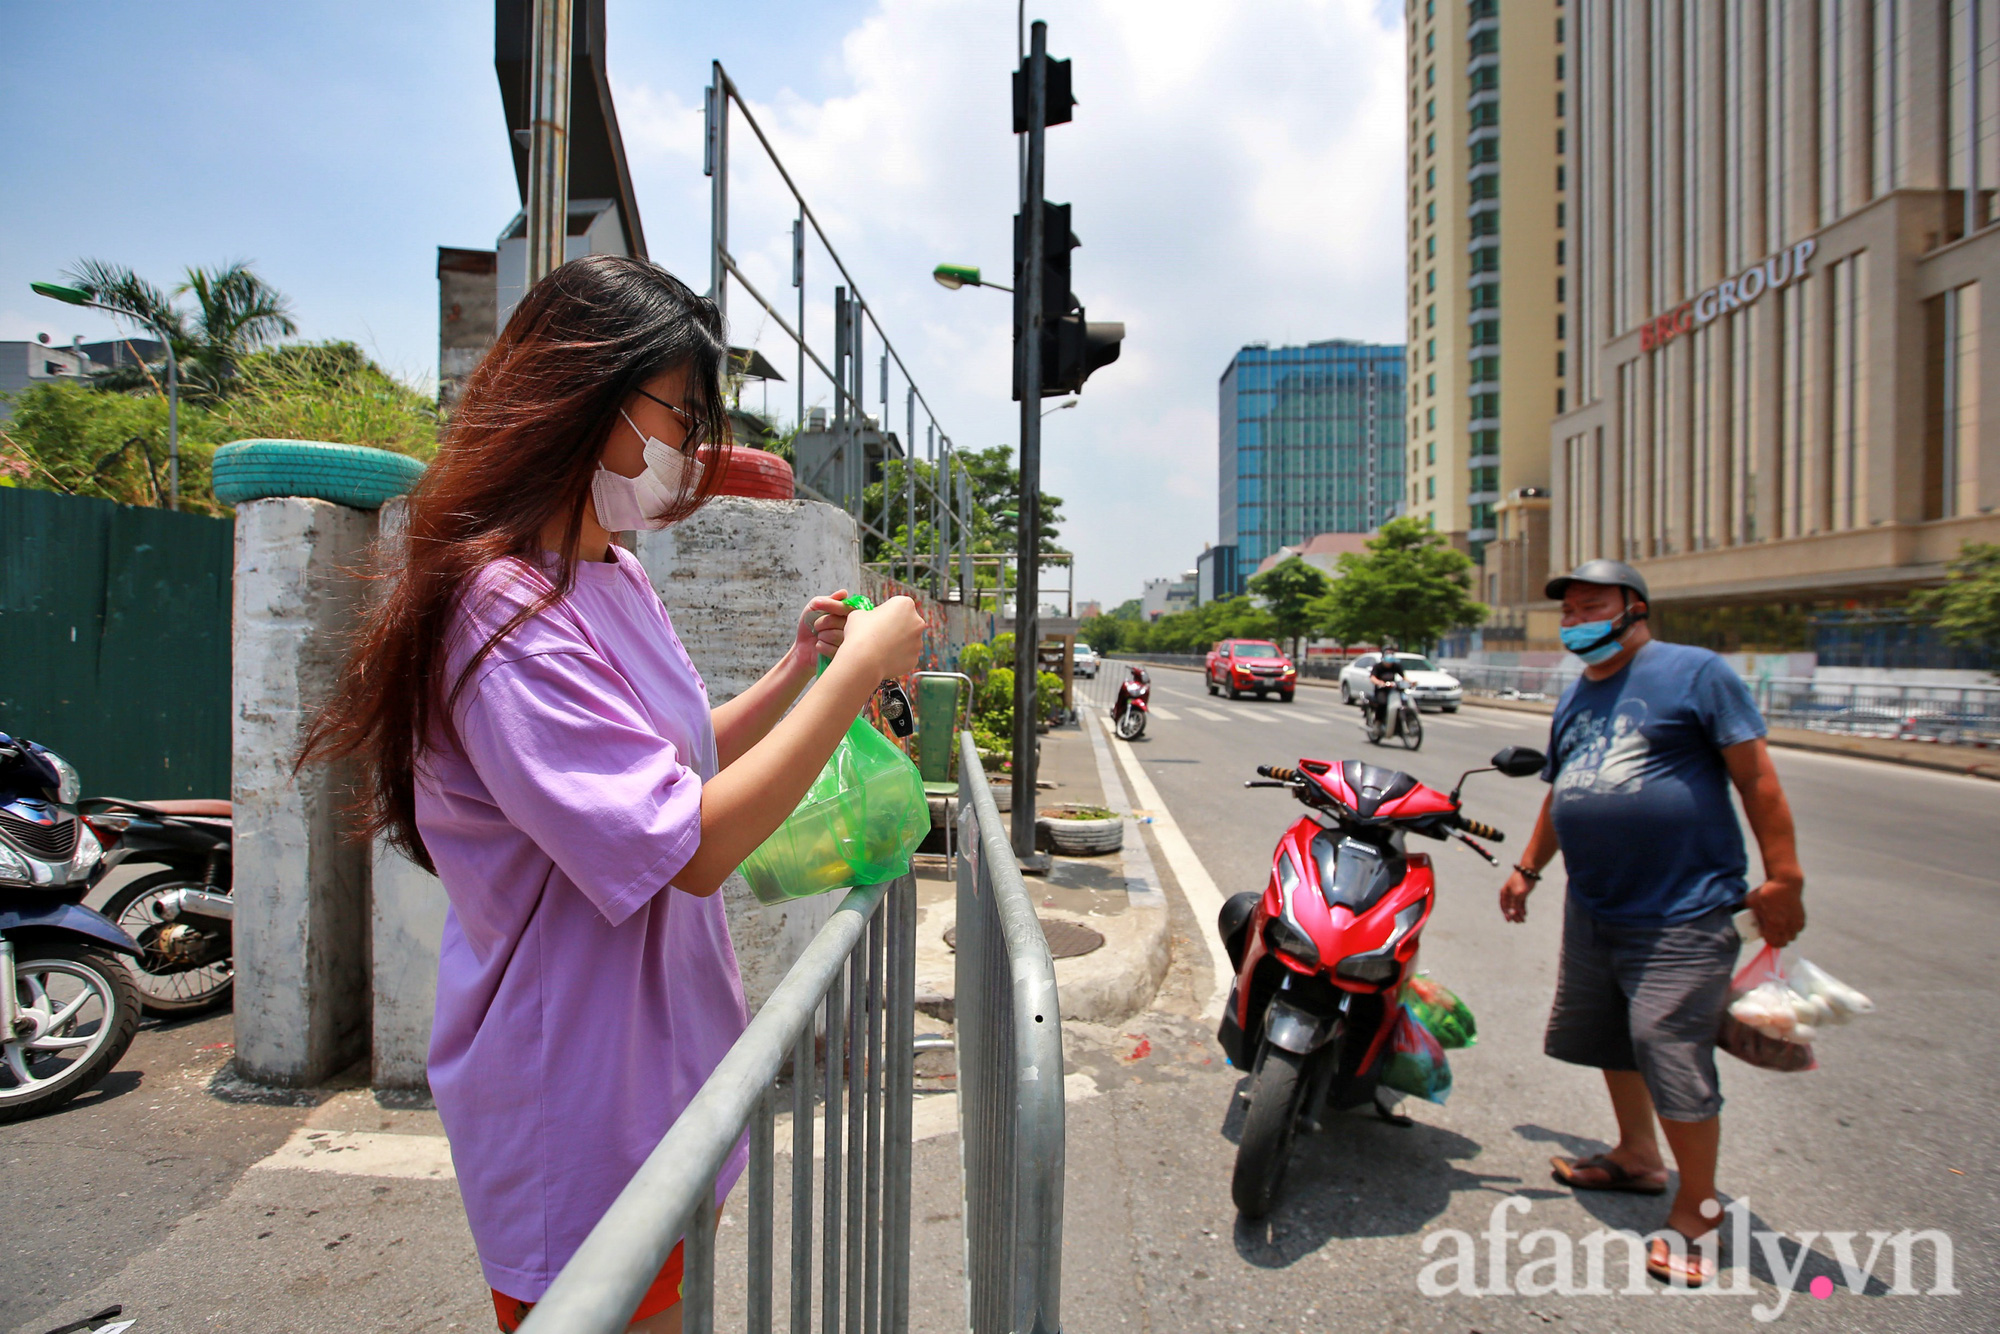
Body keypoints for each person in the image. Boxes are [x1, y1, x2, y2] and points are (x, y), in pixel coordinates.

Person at [297, 255, 924, 1333]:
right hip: (575, 1098)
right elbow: (687, 843)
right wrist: (863, 671)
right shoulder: (504, 611)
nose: (684, 446)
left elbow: (664, 766)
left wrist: (797, 667)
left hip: (658, 1069)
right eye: (675, 414)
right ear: (581, 394)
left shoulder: (611, 571)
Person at [1497, 559, 1806, 1287]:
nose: (1577, 620)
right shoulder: (1576, 695)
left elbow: (1756, 776)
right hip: (1596, 903)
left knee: (1665, 1041)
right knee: (1612, 1032)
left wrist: (1784, 876)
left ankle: (1698, 1210)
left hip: (1684, 906)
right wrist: (1529, 868)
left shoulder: (1696, 673)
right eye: (1568, 612)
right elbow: (1564, 788)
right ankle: (1638, 1156)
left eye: (1591, 605)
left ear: (1635, 607)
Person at [1368, 653, 1408, 728]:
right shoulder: (1378, 666)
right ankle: (1378, 722)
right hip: (1381, 689)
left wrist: (1410, 682)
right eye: (1388, 662)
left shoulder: (1396, 666)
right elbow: (1372, 678)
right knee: (1383, 703)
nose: (1389, 664)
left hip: (1393, 689)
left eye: (1391, 662)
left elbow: (1404, 677)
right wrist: (1379, 682)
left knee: (1403, 701)